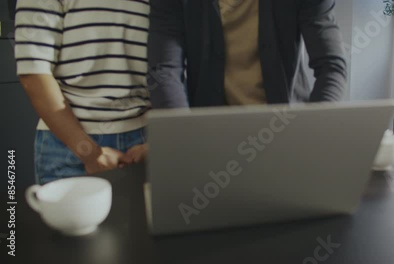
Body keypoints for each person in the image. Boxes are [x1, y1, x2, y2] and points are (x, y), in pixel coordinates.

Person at [15, 0, 150, 184]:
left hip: (144, 143)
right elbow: (34, 73)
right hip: (68, 145)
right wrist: (89, 153)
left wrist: (158, 142)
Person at [148, 0, 347, 108]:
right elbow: (164, 71)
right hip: (210, 136)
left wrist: (314, 130)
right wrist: (185, 133)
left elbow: (332, 66)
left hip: (286, 130)